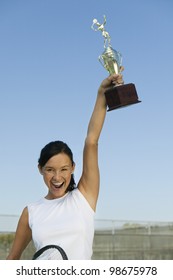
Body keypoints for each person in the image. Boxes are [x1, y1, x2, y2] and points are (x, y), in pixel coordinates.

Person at [6, 72, 123, 260]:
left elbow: (91, 141)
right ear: (40, 170)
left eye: (63, 169)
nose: (57, 177)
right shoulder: (31, 212)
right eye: (50, 170)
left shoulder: (84, 197)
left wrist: (102, 94)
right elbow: (13, 259)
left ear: (73, 168)